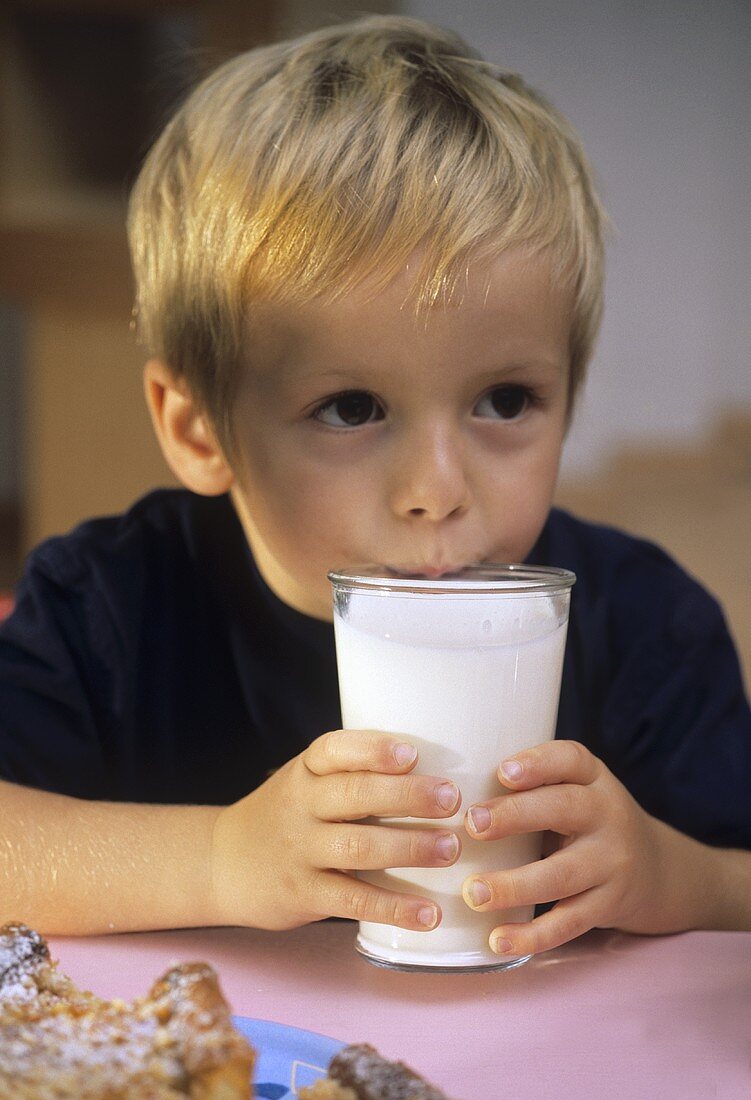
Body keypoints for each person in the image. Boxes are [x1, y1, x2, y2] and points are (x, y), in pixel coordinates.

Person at [0, 16, 749, 956]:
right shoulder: (109, 608)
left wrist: (673, 876)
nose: (437, 491)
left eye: (505, 399)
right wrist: (223, 857)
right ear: (199, 429)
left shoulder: (646, 624)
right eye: (351, 408)